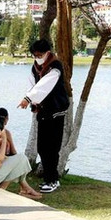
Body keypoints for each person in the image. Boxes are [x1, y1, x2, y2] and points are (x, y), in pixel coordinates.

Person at [17, 40, 69, 194]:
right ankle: (50, 178)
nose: (37, 57)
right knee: (42, 147)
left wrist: (28, 99)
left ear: (47, 53)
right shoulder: (35, 68)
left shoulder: (55, 67)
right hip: (43, 112)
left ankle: (52, 180)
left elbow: (44, 86)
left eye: (39, 55)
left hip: (56, 111)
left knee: (51, 149)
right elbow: (33, 85)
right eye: (34, 55)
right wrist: (30, 98)